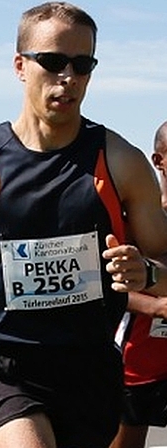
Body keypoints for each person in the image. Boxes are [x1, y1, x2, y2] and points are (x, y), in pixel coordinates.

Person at [0, 3, 167, 448]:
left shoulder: (121, 162)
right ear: (20, 66)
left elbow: (163, 258)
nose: (67, 77)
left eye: (82, 65)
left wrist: (149, 274)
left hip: (87, 366)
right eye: (52, 61)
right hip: (0, 361)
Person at [110, 120, 167, 448]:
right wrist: (157, 305)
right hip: (135, 362)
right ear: (158, 161)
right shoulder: (132, 219)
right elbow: (107, 283)